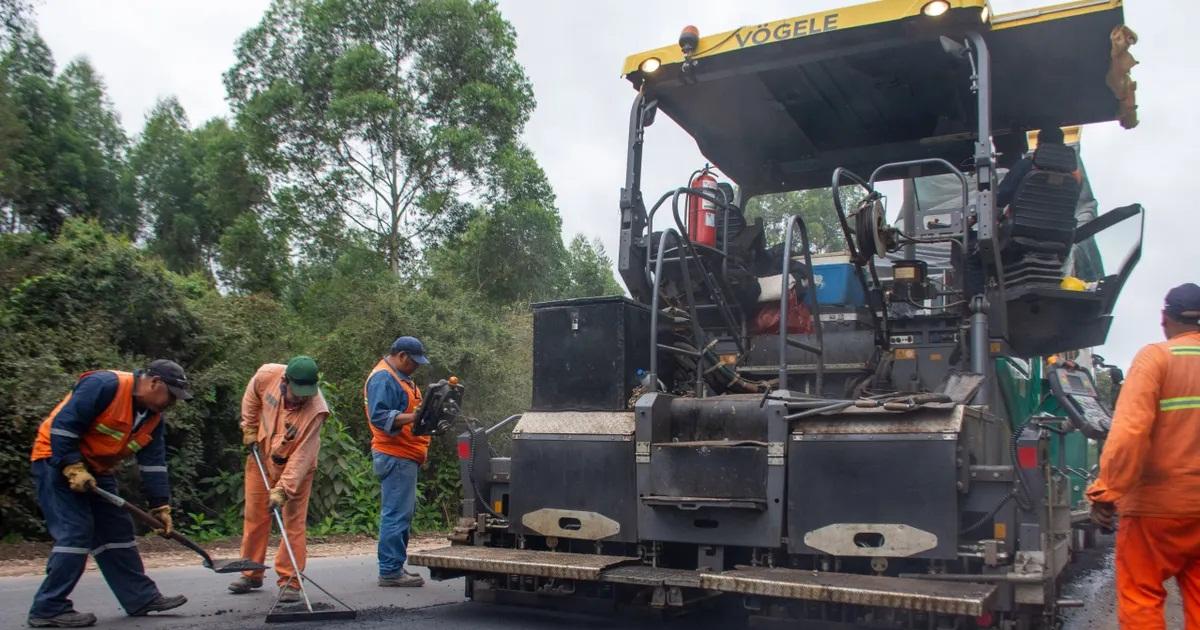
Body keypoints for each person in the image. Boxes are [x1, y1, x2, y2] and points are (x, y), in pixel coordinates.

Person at [27, 360, 193, 628]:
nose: (171, 403)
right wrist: (71, 465)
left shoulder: (152, 418)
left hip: (97, 469)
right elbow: (63, 426)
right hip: (55, 461)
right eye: (171, 396)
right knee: (76, 532)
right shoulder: (105, 385)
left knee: (117, 532)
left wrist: (160, 506)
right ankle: (48, 607)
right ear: (154, 383)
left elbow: (153, 464)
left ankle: (140, 597)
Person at [1087, 283, 1200, 629]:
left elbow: (1129, 435)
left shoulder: (1156, 358)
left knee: (1141, 597)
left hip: (1156, 510)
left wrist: (1107, 492)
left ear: (1165, 319)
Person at [228, 357, 329, 603]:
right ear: (285, 382)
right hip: (261, 457)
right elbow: (251, 398)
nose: (302, 399)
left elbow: (303, 455)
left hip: (297, 470)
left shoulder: (316, 409)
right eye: (298, 393)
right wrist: (249, 428)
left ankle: (290, 581)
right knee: (255, 516)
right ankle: (251, 572)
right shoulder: (267, 375)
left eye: (307, 393)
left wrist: (284, 489)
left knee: (293, 523)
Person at [364, 336, 431, 587]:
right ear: (401, 356)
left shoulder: (401, 378)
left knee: (402, 512)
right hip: (395, 454)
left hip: (404, 454)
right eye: (414, 362)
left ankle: (395, 567)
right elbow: (380, 417)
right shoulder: (383, 378)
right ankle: (390, 571)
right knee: (396, 513)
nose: (416, 367)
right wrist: (415, 417)